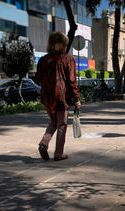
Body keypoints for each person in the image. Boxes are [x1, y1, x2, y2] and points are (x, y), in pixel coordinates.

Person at [36, 32, 81, 161]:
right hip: (61, 97)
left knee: (54, 122)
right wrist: (77, 99)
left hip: (47, 97)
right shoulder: (68, 59)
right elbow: (72, 81)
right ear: (60, 45)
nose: (66, 47)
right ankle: (58, 154)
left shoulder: (43, 60)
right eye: (65, 44)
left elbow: (38, 78)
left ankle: (43, 143)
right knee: (61, 125)